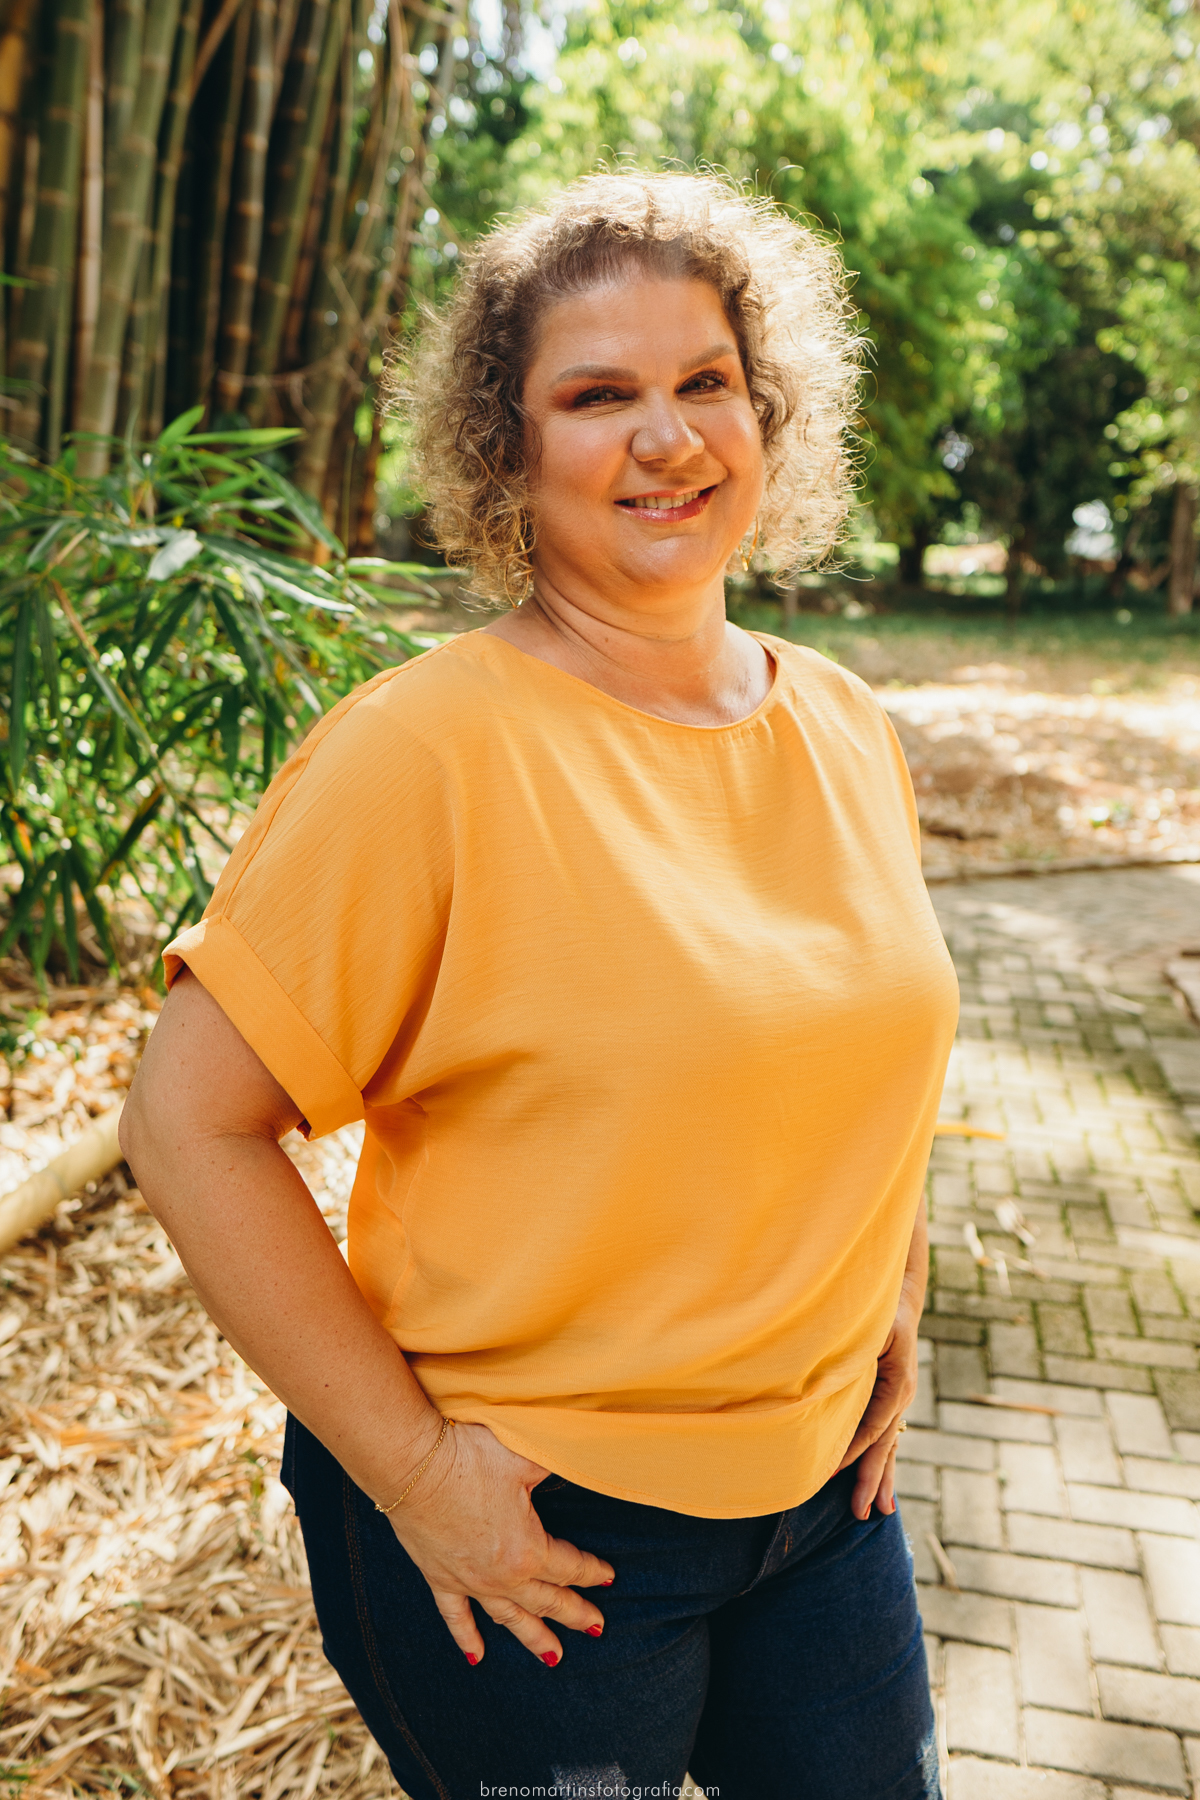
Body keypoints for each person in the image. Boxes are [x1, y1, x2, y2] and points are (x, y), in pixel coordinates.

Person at [121, 171, 959, 1800]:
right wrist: (418, 1472)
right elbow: (186, 1124)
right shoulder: (427, 752)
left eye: (705, 381)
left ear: (768, 409)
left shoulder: (844, 724)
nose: (668, 438)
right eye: (599, 397)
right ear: (507, 453)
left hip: (822, 1504)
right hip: (538, 1533)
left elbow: (867, 1043)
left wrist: (895, 1299)